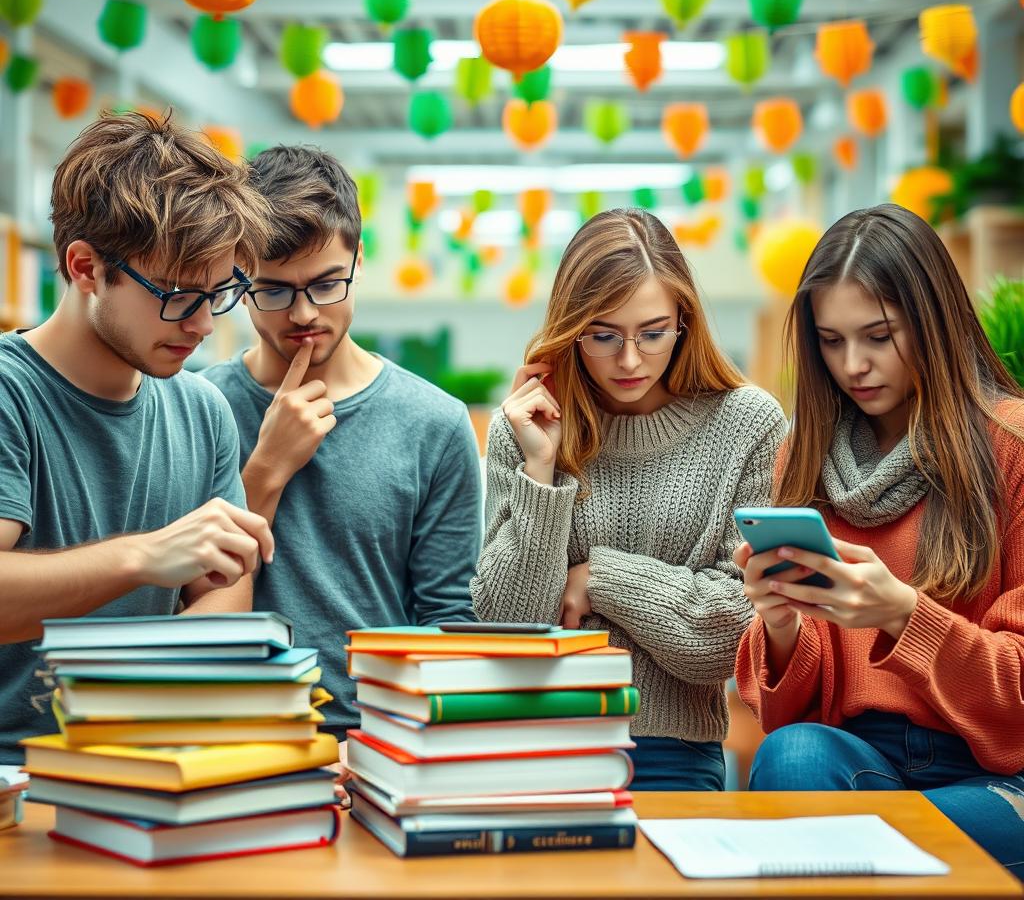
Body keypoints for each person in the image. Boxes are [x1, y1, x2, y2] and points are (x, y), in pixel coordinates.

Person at [734, 204, 1024, 878]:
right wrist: (777, 626)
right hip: (855, 761)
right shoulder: (802, 459)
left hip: (994, 774)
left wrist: (902, 615)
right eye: (831, 341)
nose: (853, 365)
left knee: (836, 844)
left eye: (878, 336)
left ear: (934, 323)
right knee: (793, 759)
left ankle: (852, 849)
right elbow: (783, 719)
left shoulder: (1010, 449)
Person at [471, 208, 787, 790]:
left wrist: (598, 579)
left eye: (652, 332)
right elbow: (506, 629)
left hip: (675, 755)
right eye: (604, 336)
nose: (630, 360)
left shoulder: (749, 425)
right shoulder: (528, 425)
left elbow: (732, 638)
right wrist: (541, 470)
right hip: (536, 743)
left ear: (684, 321)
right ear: (572, 329)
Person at [0, 112, 275, 763]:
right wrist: (144, 558)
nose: (204, 325)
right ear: (86, 267)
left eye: (220, 294)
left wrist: (141, 721)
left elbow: (225, 592)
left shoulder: (202, 409)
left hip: (147, 767)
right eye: (179, 295)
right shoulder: (11, 395)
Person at [203, 145, 481, 747]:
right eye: (273, 291)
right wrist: (266, 469)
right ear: (237, 279)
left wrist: (395, 743)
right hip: (226, 732)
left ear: (358, 258)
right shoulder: (196, 407)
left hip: (382, 739)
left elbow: (449, 621)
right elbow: (176, 594)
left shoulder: (434, 423)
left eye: (327, 284)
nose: (303, 313)